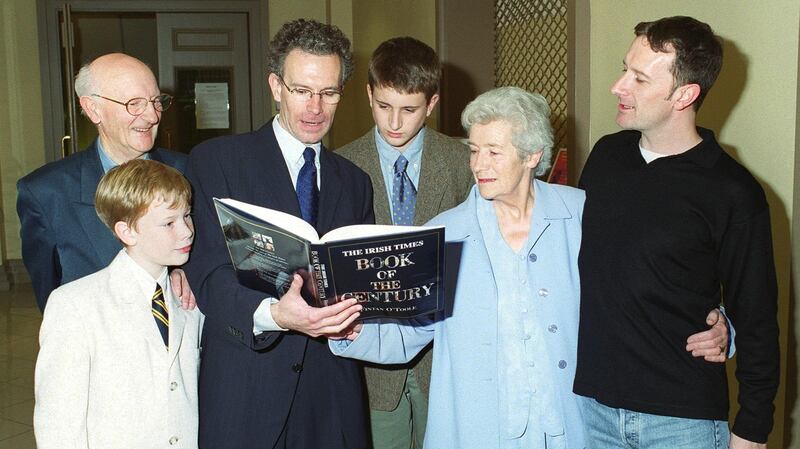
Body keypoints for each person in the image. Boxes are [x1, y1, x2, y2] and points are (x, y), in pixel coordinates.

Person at [332, 86, 727, 449]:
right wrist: (352, 328)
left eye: (494, 151)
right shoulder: (444, 232)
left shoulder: (582, 213)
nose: (478, 164)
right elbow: (406, 332)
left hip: (573, 425)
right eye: (473, 149)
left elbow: (649, 282)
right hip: (478, 429)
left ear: (532, 156)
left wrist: (722, 324)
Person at [574, 16, 779, 449]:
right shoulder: (606, 157)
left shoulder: (733, 192)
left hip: (682, 422)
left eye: (639, 78)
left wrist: (751, 432)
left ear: (684, 94)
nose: (618, 86)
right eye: (624, 68)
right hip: (590, 411)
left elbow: (758, 318)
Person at [183, 19, 371, 448]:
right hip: (246, 388)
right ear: (275, 86)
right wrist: (275, 315)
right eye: (302, 91)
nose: (315, 108)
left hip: (330, 398)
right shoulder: (217, 162)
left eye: (328, 92)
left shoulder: (355, 181)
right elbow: (209, 276)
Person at [336, 36, 473, 449]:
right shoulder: (340, 165)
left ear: (431, 104)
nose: (394, 123)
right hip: (370, 364)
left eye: (409, 110)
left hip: (448, 357)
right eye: (383, 106)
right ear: (368, 94)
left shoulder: (462, 163)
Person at [34, 159, 202, 448]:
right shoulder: (75, 306)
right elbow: (58, 424)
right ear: (126, 232)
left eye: (187, 216)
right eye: (169, 223)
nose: (186, 231)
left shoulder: (189, 298)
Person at [17, 53, 194, 312]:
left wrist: (185, 272)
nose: (152, 116)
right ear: (93, 109)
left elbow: (214, 257)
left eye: (156, 101)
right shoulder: (45, 193)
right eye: (134, 103)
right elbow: (52, 300)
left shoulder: (190, 171)